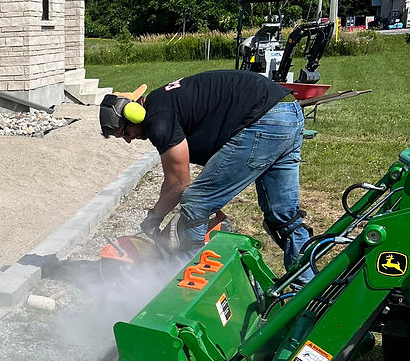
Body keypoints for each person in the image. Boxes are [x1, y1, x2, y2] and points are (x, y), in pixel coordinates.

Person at [98, 70, 310, 273]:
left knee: (197, 202)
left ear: (134, 114)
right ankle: (307, 290)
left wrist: (154, 217)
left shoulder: (158, 119)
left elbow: (178, 183)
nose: (128, 139)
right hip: (288, 113)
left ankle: (179, 278)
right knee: (284, 217)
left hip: (264, 120)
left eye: (125, 132)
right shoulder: (162, 104)